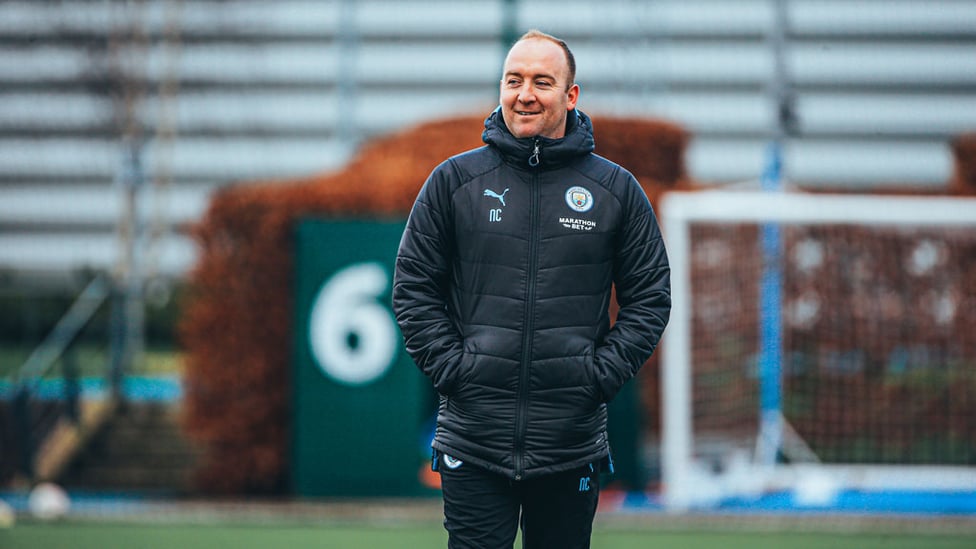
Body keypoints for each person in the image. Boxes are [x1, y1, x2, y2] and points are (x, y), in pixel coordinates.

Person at [393, 29, 671, 548]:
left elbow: (650, 297)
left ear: (570, 95)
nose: (525, 93)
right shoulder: (453, 182)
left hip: (570, 444)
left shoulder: (615, 190)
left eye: (543, 81)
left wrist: (598, 375)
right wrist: (457, 371)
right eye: (513, 79)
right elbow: (413, 288)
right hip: (473, 440)